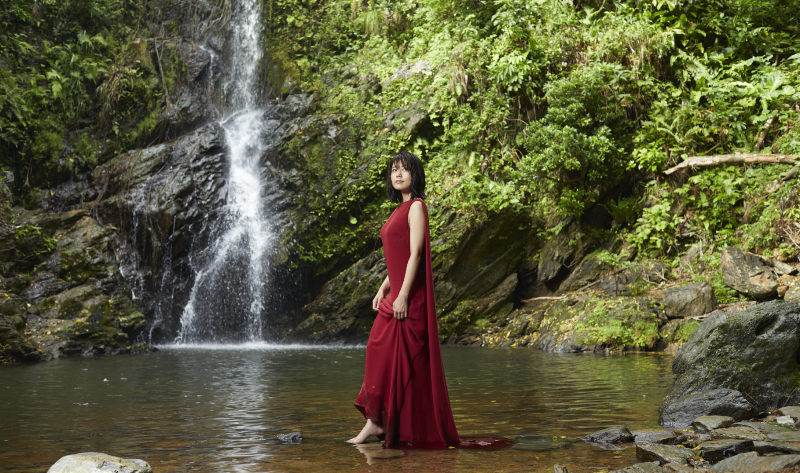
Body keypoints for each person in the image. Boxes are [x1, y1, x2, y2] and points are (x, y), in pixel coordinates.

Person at [346, 151, 460, 448]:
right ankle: (377, 422)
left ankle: (387, 425)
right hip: (396, 293)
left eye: (405, 170)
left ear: (415, 175)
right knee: (378, 351)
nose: (398, 174)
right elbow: (398, 256)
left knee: (402, 363)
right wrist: (383, 287)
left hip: (409, 298)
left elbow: (417, 254)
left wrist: (403, 296)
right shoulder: (399, 209)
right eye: (394, 170)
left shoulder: (417, 207)